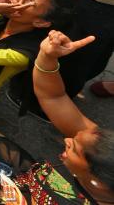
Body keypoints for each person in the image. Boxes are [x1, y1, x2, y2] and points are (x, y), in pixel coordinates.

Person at [31, 31, 114, 203]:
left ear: (98, 183)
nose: (67, 140)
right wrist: (46, 57)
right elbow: (54, 98)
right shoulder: (94, 146)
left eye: (74, 149)